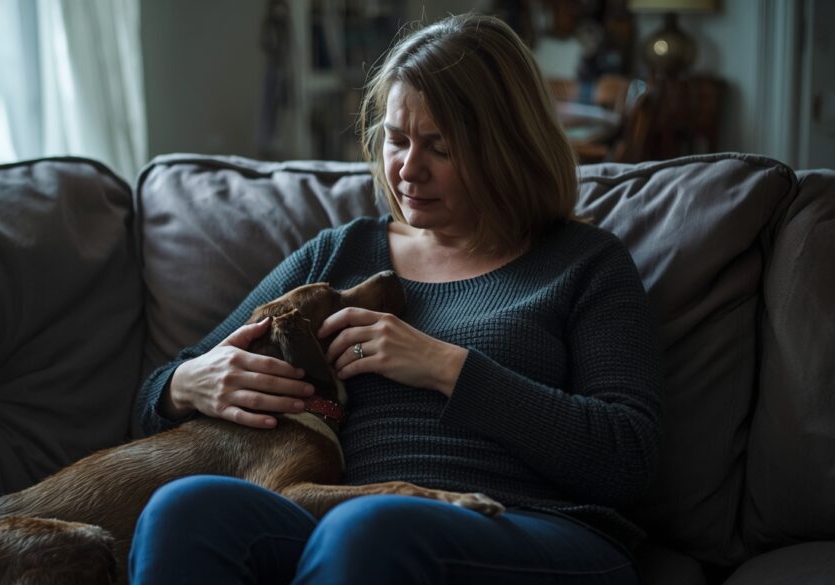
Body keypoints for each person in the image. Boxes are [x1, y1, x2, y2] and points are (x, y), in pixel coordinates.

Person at [129, 12, 661, 585]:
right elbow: (152, 403)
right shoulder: (340, 255)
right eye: (397, 139)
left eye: (440, 147)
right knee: (185, 509)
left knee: (367, 527)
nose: (408, 169)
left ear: (507, 147)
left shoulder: (586, 263)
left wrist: (444, 366)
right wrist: (188, 384)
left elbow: (628, 459)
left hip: (531, 527)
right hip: (344, 521)